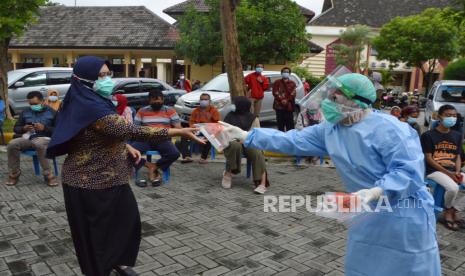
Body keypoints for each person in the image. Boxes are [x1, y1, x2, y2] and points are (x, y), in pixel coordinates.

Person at [220, 71, 440, 276]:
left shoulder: (392, 129)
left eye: (336, 97)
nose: (328, 101)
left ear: (355, 102)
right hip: (366, 211)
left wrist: (375, 191)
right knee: (363, 266)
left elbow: (408, 172)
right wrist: (246, 135)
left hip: (404, 214)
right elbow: (293, 140)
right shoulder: (331, 129)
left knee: (408, 267)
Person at [46, 56, 202, 276]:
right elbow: (129, 130)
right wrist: (179, 131)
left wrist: (126, 147)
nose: (107, 79)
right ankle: (100, 269)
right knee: (97, 234)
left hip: (113, 176)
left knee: (127, 223)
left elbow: (104, 133)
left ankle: (116, 261)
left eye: (109, 74)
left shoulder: (93, 99)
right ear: (84, 79)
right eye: (101, 75)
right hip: (89, 181)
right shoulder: (89, 106)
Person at [421, 104, 465, 231]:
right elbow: (429, 158)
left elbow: (457, 156)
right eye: (448, 115)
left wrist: (457, 171)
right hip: (434, 171)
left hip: (453, 170)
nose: (452, 118)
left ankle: (452, 209)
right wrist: (449, 174)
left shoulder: (457, 135)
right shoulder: (428, 135)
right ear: (439, 116)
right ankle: (448, 211)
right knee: (453, 188)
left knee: (455, 185)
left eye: (454, 115)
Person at [6, 91, 57, 187]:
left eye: (35, 104)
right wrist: (23, 128)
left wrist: (44, 128)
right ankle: (15, 173)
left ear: (42, 101)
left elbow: (59, 130)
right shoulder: (25, 112)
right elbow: (16, 128)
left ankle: (48, 175)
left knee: (39, 144)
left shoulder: (52, 112)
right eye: (30, 104)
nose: (33, 106)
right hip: (28, 137)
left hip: (45, 138)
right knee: (12, 144)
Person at [132, 89, 182, 186]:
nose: (157, 102)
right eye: (154, 100)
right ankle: (149, 166)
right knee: (128, 153)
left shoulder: (170, 111)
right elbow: (135, 129)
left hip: (163, 139)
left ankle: (155, 166)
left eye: (159, 100)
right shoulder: (142, 111)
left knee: (174, 154)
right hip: (145, 139)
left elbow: (178, 128)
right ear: (149, 101)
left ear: (163, 100)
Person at [222, 96, 269, 194]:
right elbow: (224, 132)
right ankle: (228, 173)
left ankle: (261, 183)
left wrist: (244, 139)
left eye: (234, 104)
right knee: (235, 145)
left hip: (248, 142)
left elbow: (256, 135)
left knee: (257, 152)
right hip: (232, 143)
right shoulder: (229, 116)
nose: (233, 106)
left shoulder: (253, 118)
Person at [179, 93, 220, 164]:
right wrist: (193, 128)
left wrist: (208, 127)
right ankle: (186, 157)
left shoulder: (214, 111)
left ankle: (203, 158)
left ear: (209, 101)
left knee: (210, 137)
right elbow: (191, 122)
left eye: (205, 99)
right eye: (202, 99)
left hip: (208, 131)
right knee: (184, 134)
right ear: (199, 101)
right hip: (196, 130)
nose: (203, 101)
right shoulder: (196, 111)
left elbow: (217, 123)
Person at [272, 67, 296, 132]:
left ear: (289, 74)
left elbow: (293, 94)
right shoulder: (277, 82)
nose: (285, 73)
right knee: (280, 125)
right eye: (284, 72)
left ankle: (289, 139)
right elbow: (275, 92)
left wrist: (287, 100)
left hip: (289, 107)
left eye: (287, 72)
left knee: (290, 125)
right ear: (281, 73)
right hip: (279, 106)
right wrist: (281, 99)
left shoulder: (292, 83)